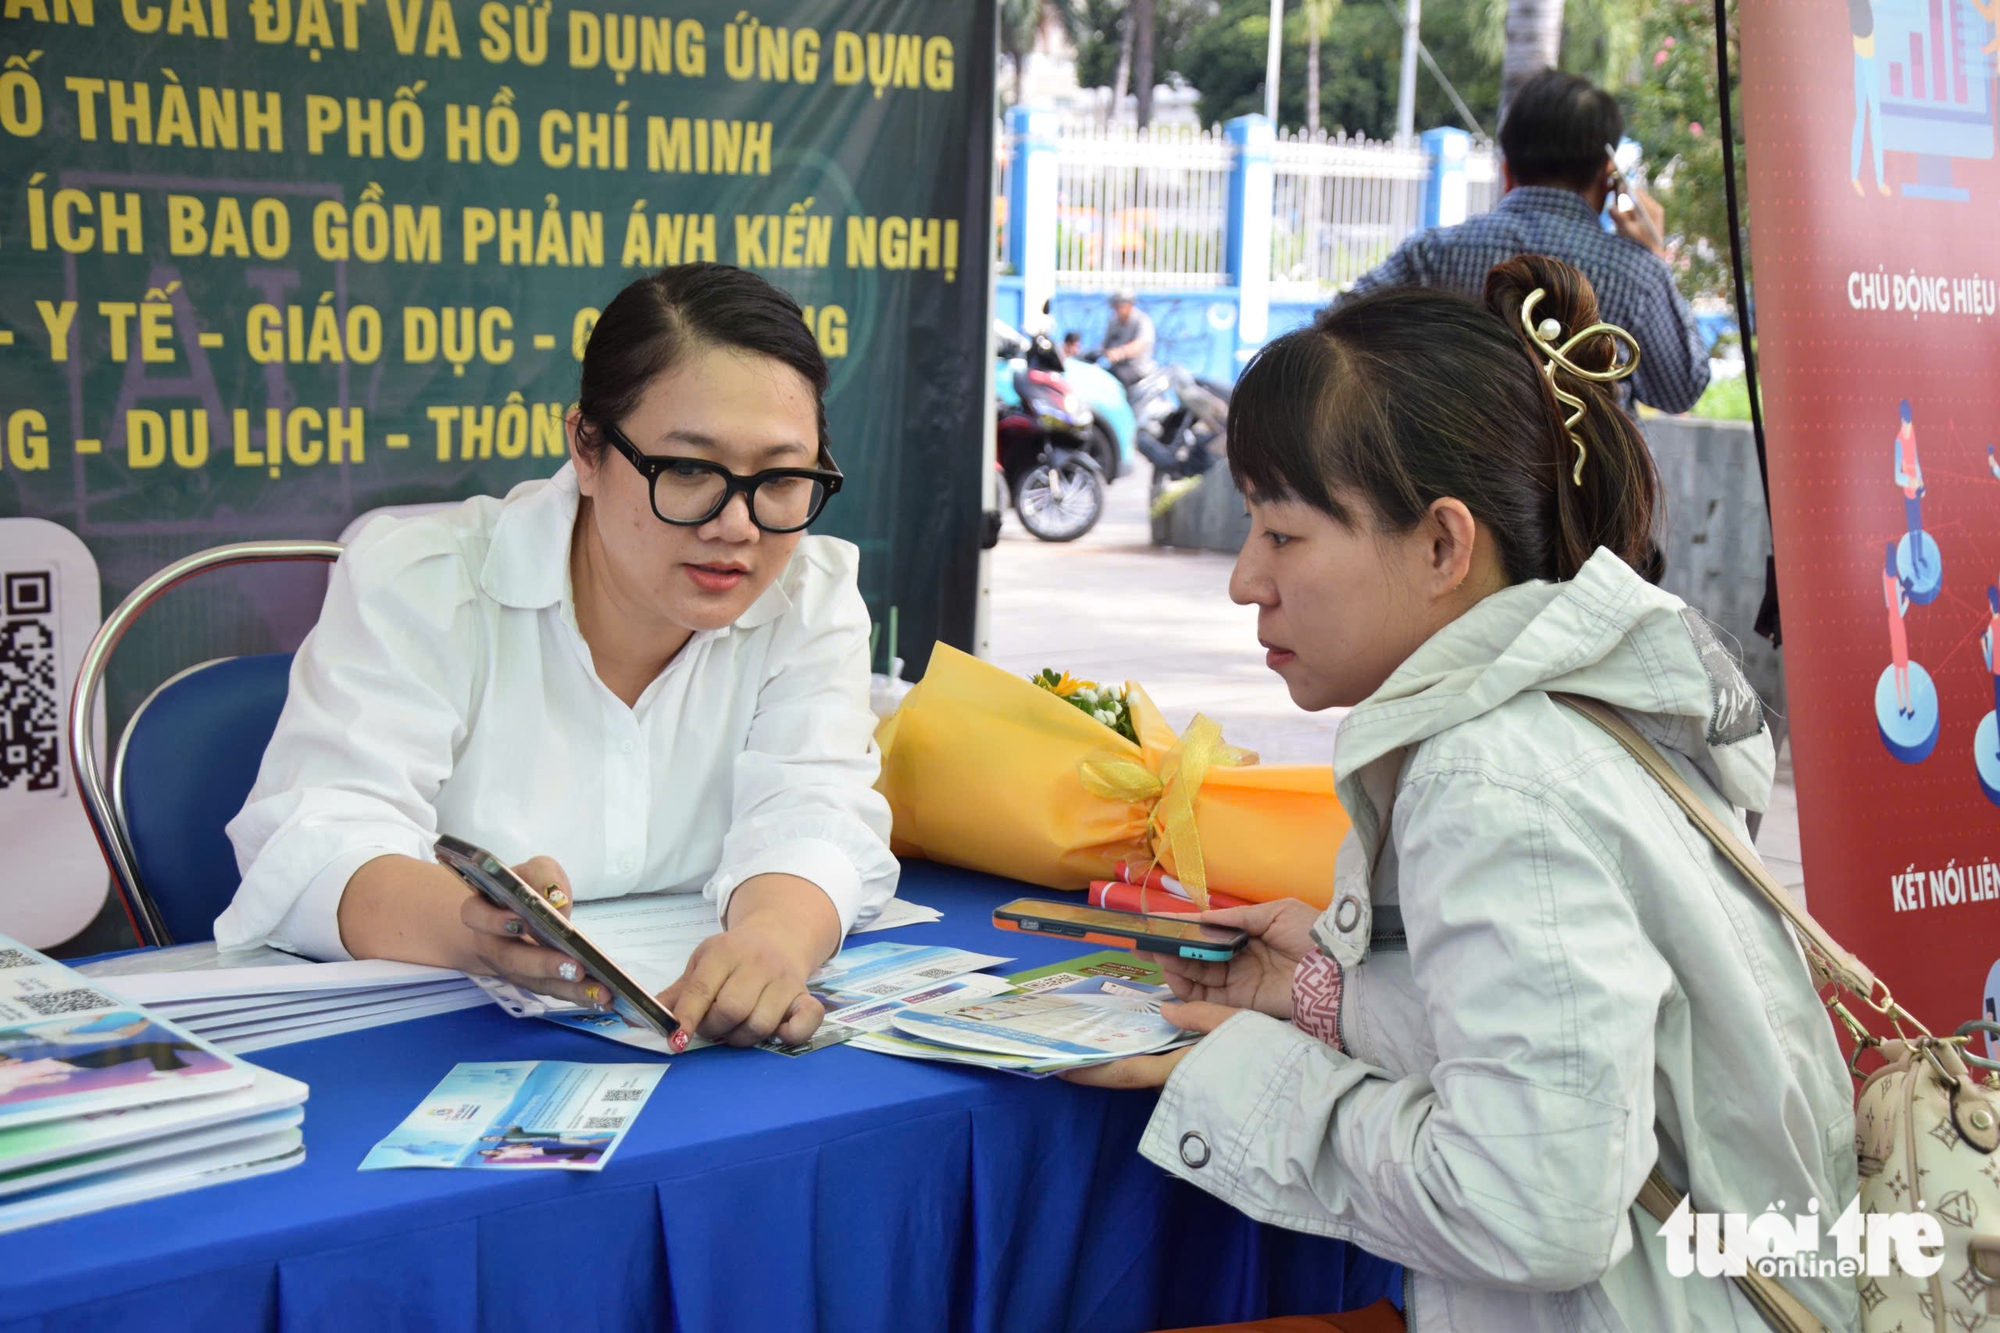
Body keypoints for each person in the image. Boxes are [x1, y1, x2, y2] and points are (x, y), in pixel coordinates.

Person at [1067, 255, 1857, 1332]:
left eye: (1282, 532)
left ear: (1442, 543)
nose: (1245, 578)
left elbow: (1531, 1205)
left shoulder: (1489, 778)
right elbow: (1572, 1058)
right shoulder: (1585, 709)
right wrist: (1315, 994)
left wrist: (1237, 1072)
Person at [217, 263, 899, 1050]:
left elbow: (814, 808)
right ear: (586, 444)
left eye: (780, 477)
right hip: (439, 1041)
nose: (738, 525)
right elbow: (318, 837)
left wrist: (773, 944)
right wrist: (472, 928)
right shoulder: (424, 581)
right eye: (687, 470)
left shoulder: (810, 593)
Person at [1345, 69, 1710, 415]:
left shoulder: (1431, 255)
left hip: (1452, 478)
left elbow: (1337, 331)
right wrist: (1654, 255)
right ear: (1608, 178)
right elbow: (1680, 392)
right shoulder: (1638, 275)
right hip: (1595, 479)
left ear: (1506, 171)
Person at [1850, 0, 1887, 196]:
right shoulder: (1857, 7)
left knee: (1874, 116)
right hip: (1863, 55)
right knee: (1863, 116)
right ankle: (1855, 176)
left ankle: (1879, 179)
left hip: (1869, 53)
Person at [1098, 289, 1158, 388]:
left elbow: (1140, 344)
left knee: (1117, 378)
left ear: (1130, 304)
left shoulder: (1142, 321)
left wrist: (1121, 353)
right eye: (1114, 305)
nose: (1116, 309)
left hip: (1137, 369)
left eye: (1119, 305)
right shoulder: (1114, 322)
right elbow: (1104, 345)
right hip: (1117, 366)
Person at [1893, 399, 1926, 575]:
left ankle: (1920, 557)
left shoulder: (1912, 431)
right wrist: (1910, 482)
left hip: (1917, 490)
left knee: (1920, 526)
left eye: (1911, 424)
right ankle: (1914, 563)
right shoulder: (1898, 441)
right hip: (1908, 495)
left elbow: (1916, 457)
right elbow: (1897, 477)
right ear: (1902, 421)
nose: (1909, 428)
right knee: (1912, 529)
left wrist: (1921, 481)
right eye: (1907, 425)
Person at [1886, 542, 1913, 719]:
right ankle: (1909, 707)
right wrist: (1905, 602)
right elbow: (1899, 610)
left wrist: (1898, 592)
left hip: (1890, 620)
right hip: (1898, 621)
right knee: (1904, 666)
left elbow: (1888, 603)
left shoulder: (1885, 577)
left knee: (1897, 665)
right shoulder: (1895, 581)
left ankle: (1901, 705)